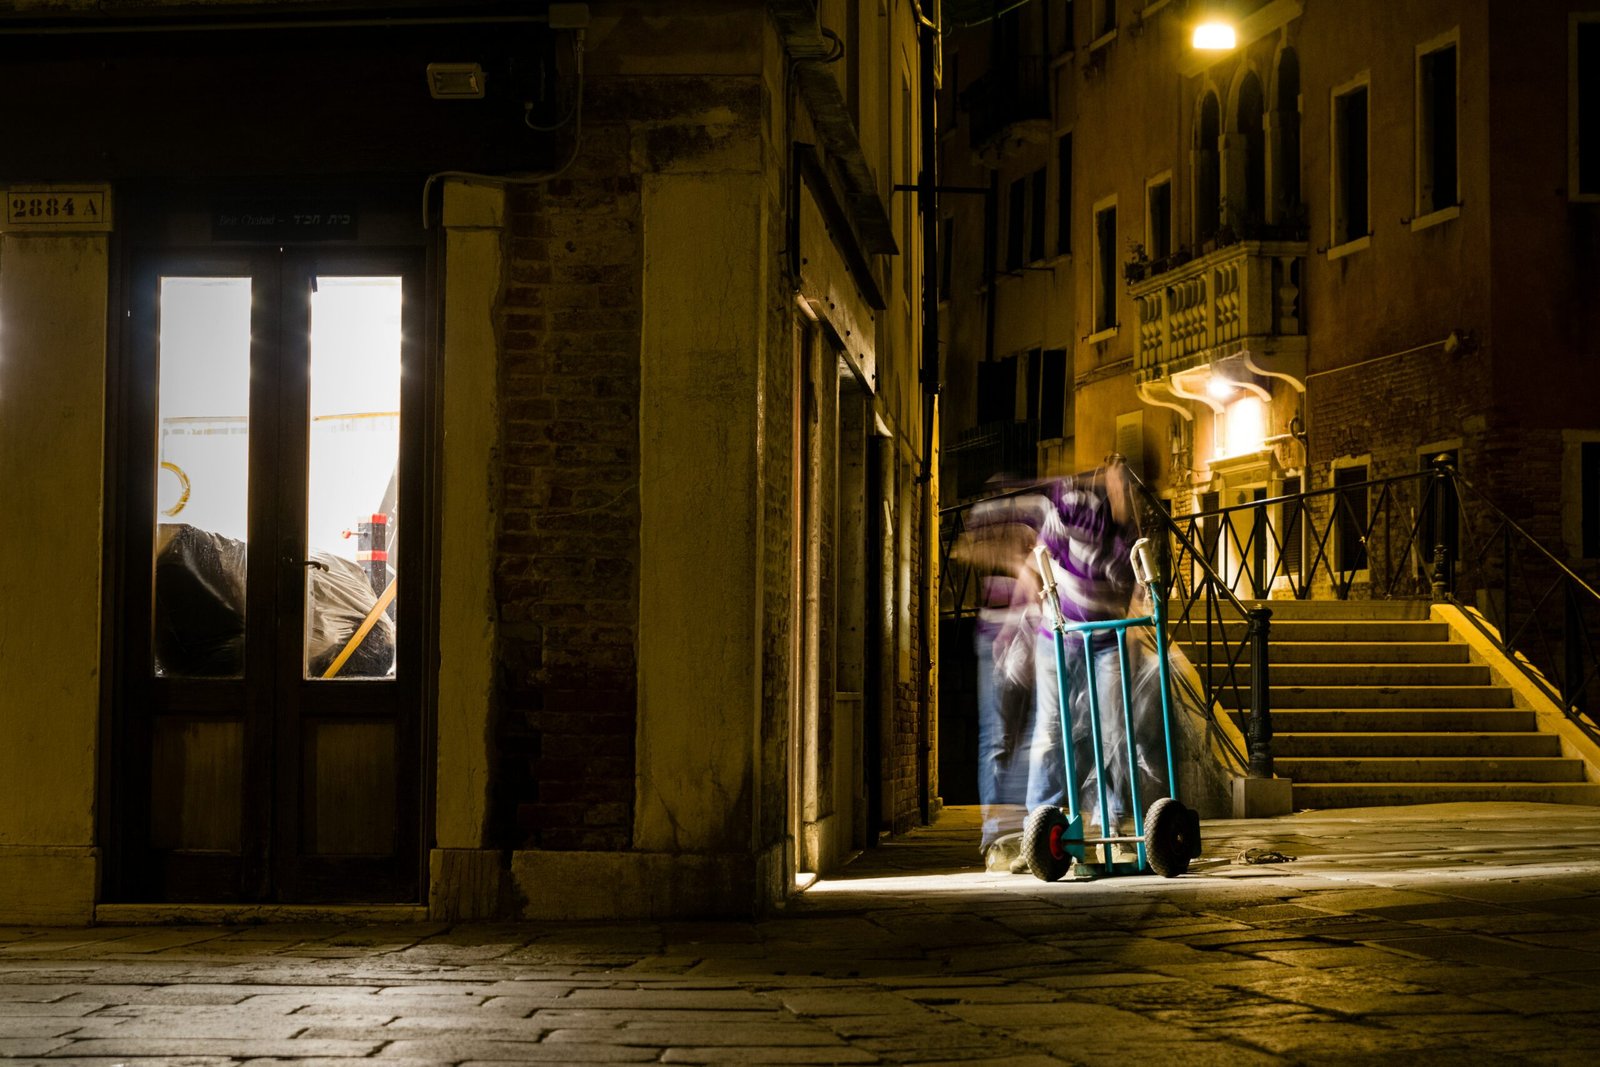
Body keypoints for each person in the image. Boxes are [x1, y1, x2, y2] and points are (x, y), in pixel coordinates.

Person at [1027, 458, 1139, 835]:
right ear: (1106, 479)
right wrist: (1042, 601)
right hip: (1059, 632)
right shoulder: (1077, 505)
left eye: (1128, 488)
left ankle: (1112, 816)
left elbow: (1134, 588)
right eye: (1117, 484)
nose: (1122, 493)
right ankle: (1041, 822)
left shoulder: (1128, 535)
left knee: (1113, 727)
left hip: (1106, 639)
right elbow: (1041, 556)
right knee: (1052, 728)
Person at [956, 493, 1048, 872]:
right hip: (1000, 633)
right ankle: (999, 835)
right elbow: (964, 553)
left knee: (1024, 736)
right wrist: (1011, 558)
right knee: (1006, 737)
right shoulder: (1009, 517)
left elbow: (1042, 563)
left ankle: (1017, 832)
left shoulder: (1032, 512)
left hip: (1025, 629)